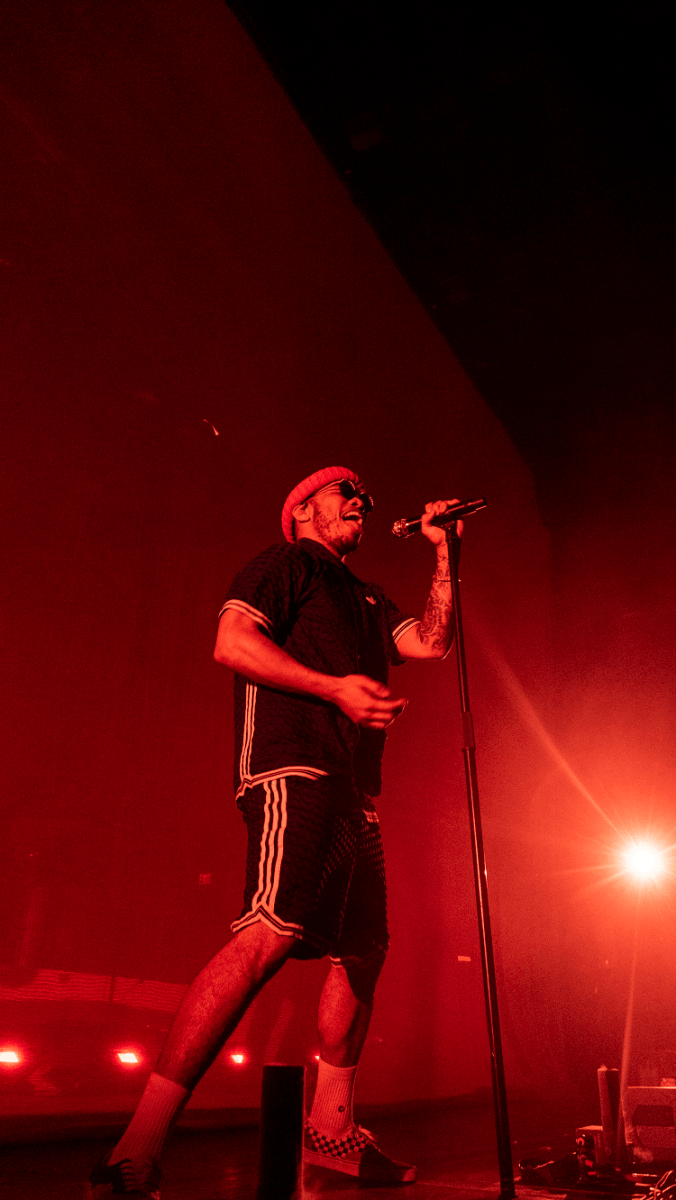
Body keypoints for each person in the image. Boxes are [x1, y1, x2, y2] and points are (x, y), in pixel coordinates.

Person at [87, 466, 461, 1197]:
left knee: (363, 950)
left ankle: (332, 1131)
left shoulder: (365, 596)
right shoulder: (285, 564)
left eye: (364, 495)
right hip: (291, 767)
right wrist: (333, 688)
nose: (360, 501)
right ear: (304, 509)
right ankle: (135, 1149)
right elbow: (231, 643)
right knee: (270, 933)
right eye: (345, 492)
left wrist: (444, 551)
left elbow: (432, 642)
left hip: (354, 790)